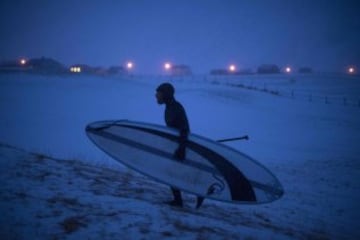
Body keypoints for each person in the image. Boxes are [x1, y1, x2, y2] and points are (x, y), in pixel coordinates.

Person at [155, 82, 204, 209]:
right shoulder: (169, 107)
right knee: (173, 172)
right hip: (177, 145)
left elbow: (184, 130)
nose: (156, 96)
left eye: (158, 94)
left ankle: (198, 192)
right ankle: (180, 200)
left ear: (165, 95)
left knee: (176, 171)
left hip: (182, 145)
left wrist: (181, 148)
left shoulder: (175, 107)